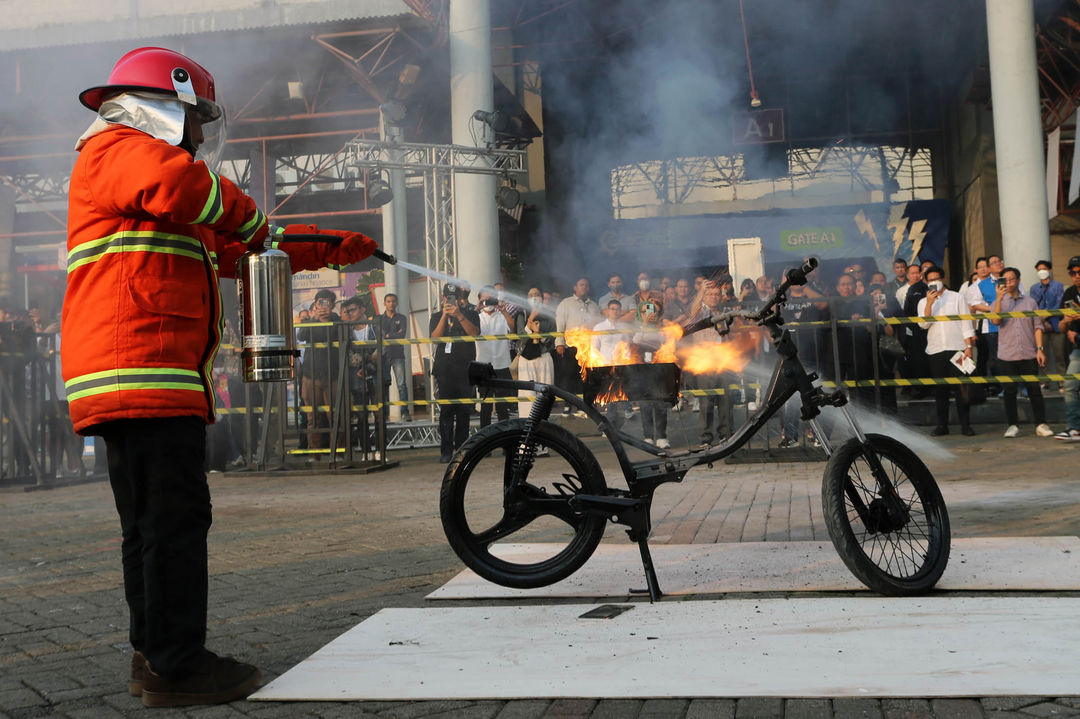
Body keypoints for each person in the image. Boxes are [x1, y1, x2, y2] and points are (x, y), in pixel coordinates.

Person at [61, 46, 379, 707]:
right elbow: (194, 193)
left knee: (151, 524)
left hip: (136, 375)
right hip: (143, 371)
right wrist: (252, 214)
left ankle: (153, 657)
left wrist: (328, 247)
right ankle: (181, 666)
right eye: (193, 119)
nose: (201, 137)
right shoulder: (118, 149)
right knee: (175, 519)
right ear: (159, 108)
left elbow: (241, 247)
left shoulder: (142, 179)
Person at [990, 267, 1052, 438]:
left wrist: (1040, 349)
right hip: (1007, 354)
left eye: (1011, 279)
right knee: (1009, 391)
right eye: (1005, 280)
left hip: (1028, 353)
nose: (1008, 283)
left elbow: (1037, 327)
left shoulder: (1030, 302)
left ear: (1018, 280)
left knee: (1034, 389)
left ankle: (1041, 423)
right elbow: (995, 320)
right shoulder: (998, 302)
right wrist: (999, 298)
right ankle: (1012, 425)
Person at [916, 267, 976, 436]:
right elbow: (923, 324)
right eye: (930, 280)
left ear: (943, 278)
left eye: (937, 278)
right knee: (940, 390)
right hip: (936, 350)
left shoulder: (957, 297)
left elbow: (966, 322)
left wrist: (969, 348)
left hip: (958, 348)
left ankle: (966, 425)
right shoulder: (923, 301)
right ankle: (942, 426)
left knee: (962, 388)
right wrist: (930, 303)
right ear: (926, 282)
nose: (934, 282)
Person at [430, 283, 480, 462]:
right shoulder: (436, 316)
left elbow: (474, 333)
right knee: (446, 411)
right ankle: (446, 451)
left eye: (454, 297)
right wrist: (445, 315)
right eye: (447, 297)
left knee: (464, 411)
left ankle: (461, 449)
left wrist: (459, 315)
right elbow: (435, 338)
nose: (451, 300)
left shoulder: (471, 314)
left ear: (460, 298)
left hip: (465, 368)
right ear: (443, 298)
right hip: (444, 369)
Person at [296, 289, 343, 449]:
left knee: (336, 416)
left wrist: (332, 317)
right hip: (310, 375)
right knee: (312, 418)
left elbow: (345, 336)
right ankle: (314, 453)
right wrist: (314, 319)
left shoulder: (338, 321)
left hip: (334, 376)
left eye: (327, 303)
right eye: (320, 303)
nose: (323, 307)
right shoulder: (309, 321)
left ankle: (337, 451)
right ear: (315, 305)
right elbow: (301, 336)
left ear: (332, 305)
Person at [554, 277, 601, 416]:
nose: (584, 287)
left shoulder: (593, 305)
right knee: (569, 376)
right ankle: (568, 405)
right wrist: (559, 343)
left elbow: (598, 326)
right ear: (575, 287)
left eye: (586, 285)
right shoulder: (566, 303)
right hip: (571, 346)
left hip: (589, 347)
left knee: (587, 376)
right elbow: (560, 325)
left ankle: (584, 405)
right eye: (581, 285)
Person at [475, 286, 515, 427]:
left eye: (490, 299)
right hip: (482, 366)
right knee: (485, 407)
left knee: (503, 407)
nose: (487, 302)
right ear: (479, 301)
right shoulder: (477, 317)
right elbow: (469, 330)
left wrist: (503, 311)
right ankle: (485, 443)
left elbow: (513, 329)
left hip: (502, 364)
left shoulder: (502, 316)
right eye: (484, 300)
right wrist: (477, 309)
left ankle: (505, 442)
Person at [591, 298, 633, 430]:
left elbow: (627, 347)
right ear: (607, 311)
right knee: (611, 396)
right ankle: (626, 411)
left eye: (617, 309)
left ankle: (610, 424)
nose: (615, 311)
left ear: (620, 311)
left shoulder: (624, 328)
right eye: (612, 309)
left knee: (617, 392)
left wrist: (627, 362)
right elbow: (594, 347)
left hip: (620, 364)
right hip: (605, 365)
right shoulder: (599, 327)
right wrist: (599, 364)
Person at [515, 287, 556, 419]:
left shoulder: (549, 316)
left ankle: (544, 426)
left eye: (537, 295)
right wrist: (530, 320)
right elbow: (521, 337)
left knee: (545, 392)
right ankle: (527, 429)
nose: (534, 297)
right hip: (526, 359)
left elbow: (551, 338)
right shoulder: (522, 314)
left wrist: (538, 334)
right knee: (528, 395)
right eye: (531, 295)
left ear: (542, 299)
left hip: (544, 357)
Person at [1054, 256, 1080, 441]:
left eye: (1079, 272)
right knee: (1070, 385)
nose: (1076, 276)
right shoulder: (1069, 293)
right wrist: (1066, 321)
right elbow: (1061, 328)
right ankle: (1074, 427)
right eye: (1073, 273)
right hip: (1077, 348)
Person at [1029, 260, 1065, 391]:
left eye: (1043, 268)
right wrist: (1042, 321)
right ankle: (1045, 382)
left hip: (1056, 324)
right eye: (1038, 269)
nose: (1041, 271)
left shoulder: (1058, 286)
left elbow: (1059, 304)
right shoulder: (1034, 288)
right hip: (1040, 326)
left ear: (1049, 270)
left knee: (1059, 354)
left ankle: (1062, 382)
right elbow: (1034, 305)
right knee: (1041, 354)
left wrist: (1047, 317)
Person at [377, 293, 411, 422]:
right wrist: (392, 334)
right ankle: (384, 414)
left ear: (396, 303)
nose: (391, 304)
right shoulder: (379, 318)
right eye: (388, 301)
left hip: (398, 355)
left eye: (393, 301)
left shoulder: (402, 318)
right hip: (383, 355)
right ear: (384, 303)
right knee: (384, 385)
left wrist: (388, 335)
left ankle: (405, 412)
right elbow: (380, 334)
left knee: (402, 385)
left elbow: (401, 335)